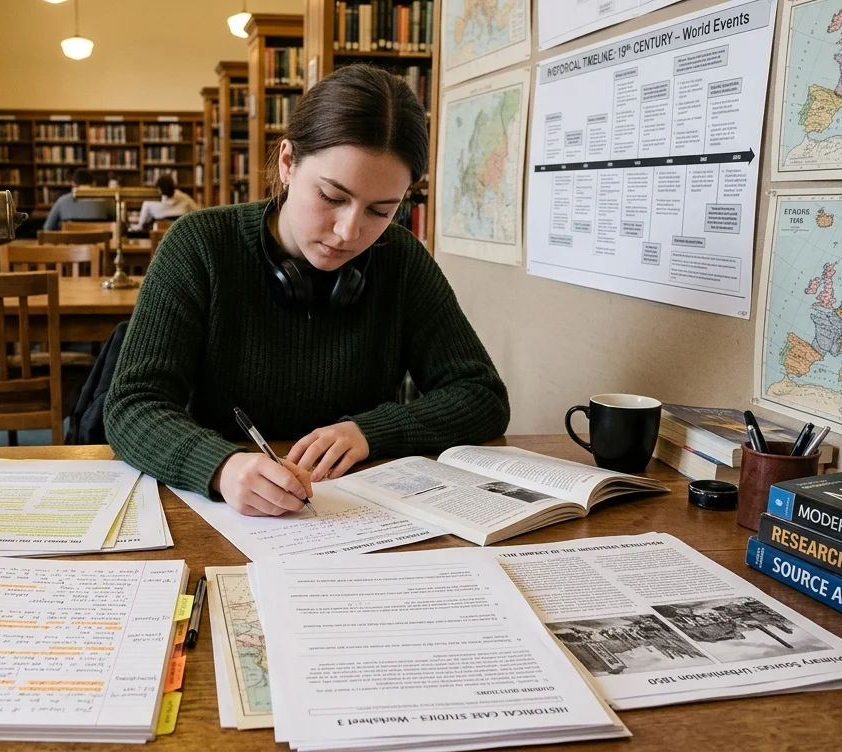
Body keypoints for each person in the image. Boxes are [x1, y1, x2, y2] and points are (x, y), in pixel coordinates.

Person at [104, 65, 510, 517]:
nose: (349, 231)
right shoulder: (199, 245)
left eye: (380, 210)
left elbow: (482, 395)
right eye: (332, 197)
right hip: (225, 514)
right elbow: (132, 404)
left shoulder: (401, 257)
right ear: (287, 162)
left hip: (360, 515)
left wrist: (372, 431)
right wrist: (221, 466)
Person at [44, 168, 116, 230]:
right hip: (99, 245)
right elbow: (120, 227)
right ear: (94, 183)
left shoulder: (61, 202)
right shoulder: (106, 201)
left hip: (70, 245)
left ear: (73, 184)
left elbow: (47, 228)